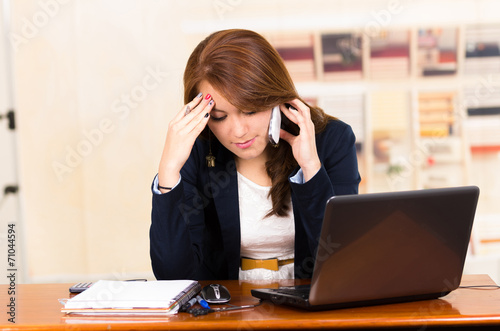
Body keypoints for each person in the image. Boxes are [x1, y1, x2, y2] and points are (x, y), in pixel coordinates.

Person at [150, 29, 361, 281]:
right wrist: (168, 173)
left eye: (250, 111)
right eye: (219, 117)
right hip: (229, 309)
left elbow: (344, 263)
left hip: (309, 307)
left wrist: (311, 169)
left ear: (276, 97)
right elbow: (173, 276)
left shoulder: (331, 140)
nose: (238, 132)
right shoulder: (196, 150)